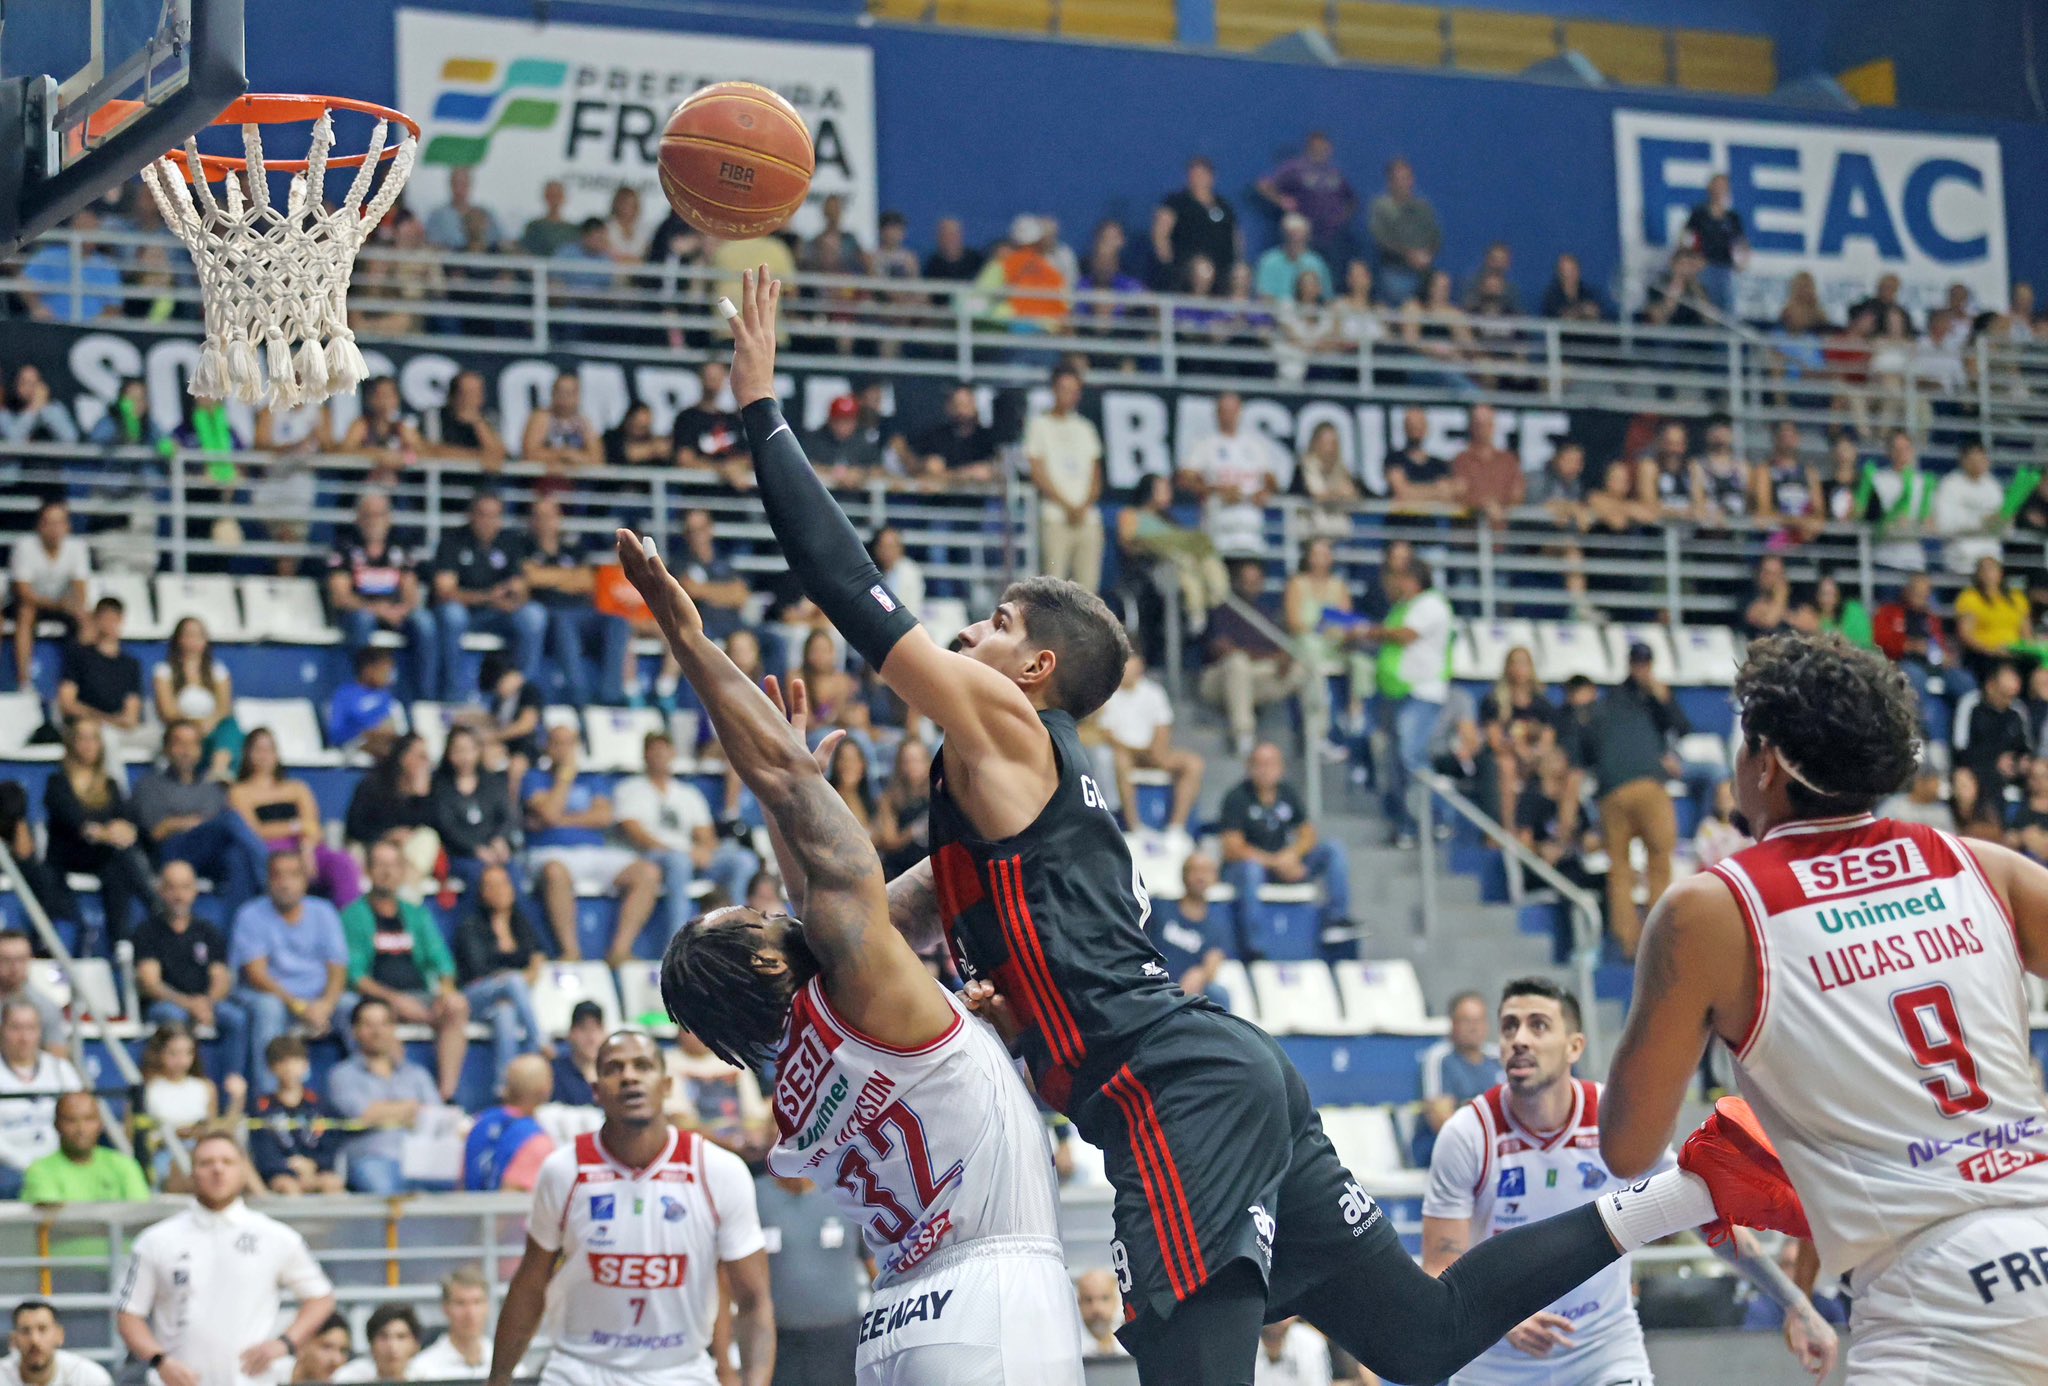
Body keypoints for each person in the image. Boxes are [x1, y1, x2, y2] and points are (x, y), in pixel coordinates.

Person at [724, 265, 1799, 1385]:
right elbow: (857, 921)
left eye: (993, 625)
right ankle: (1696, 1182)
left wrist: (762, 412)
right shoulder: (987, 820)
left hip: (1168, 1090)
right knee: (1421, 1344)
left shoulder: (1001, 725)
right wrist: (799, 806)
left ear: (1034, 669)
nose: (968, 635)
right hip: (1219, 1072)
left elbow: (848, 587)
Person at [615, 529, 1088, 1384]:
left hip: (900, 1317)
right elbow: (796, 810)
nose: (775, 911)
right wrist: (687, 637)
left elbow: (812, 908)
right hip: (993, 1299)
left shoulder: (789, 1065)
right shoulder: (855, 977)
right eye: (755, 916)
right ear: (765, 962)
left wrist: (792, 817)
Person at [1601, 633, 2048, 1384]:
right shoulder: (1984, 865)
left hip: (1935, 1298)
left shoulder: (1711, 909)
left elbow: (1628, 1148)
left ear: (1766, 762)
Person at [1424, 980, 1835, 1385]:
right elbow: (1441, 1268)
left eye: (1538, 1025)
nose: (1519, 1039)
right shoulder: (1468, 1133)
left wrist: (1796, 1303)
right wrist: (1501, 1320)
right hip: (1495, 1365)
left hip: (1603, 1355)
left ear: (1575, 1047)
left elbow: (1706, 1215)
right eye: (1509, 1026)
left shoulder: (1615, 1118)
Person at [485, 1030, 775, 1386]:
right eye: (613, 1068)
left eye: (643, 1066)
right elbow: (529, 1283)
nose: (629, 1077)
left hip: (680, 1371)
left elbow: (754, 1301)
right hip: (577, 1370)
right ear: (595, 1091)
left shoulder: (719, 1171)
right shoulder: (563, 1170)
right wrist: (498, 1378)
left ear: (667, 1085)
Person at [116, 1130, 337, 1386]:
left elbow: (321, 1298)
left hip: (251, 1381)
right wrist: (160, 1361)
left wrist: (284, 1343)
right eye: (206, 1163)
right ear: (192, 1172)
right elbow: (128, 1313)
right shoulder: (156, 1240)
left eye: (227, 1162)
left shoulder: (275, 1236)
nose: (217, 1170)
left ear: (244, 1171)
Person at [1566, 645, 1687, 957]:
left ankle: (1629, 943)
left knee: (1618, 869)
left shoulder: (1596, 711)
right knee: (1660, 860)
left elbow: (1580, 765)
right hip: (1649, 786)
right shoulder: (1645, 699)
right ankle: (1658, 937)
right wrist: (1661, 694)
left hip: (1612, 793)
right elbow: (1682, 726)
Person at [339, 840, 472, 1102]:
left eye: (393, 866)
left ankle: (447, 1094)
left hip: (420, 996)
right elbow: (356, 976)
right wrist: (394, 1001)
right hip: (378, 999)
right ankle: (391, 1094)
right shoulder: (352, 916)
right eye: (380, 865)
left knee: (457, 1004)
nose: (387, 872)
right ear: (367, 870)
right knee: (376, 1018)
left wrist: (444, 993)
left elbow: (443, 962)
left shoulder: (416, 914)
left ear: (402, 872)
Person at [523, 721, 663, 962]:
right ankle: (571, 951)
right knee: (555, 872)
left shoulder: (592, 778)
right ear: (547, 748)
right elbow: (548, 813)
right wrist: (565, 776)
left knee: (648, 872)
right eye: (557, 743)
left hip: (595, 851)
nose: (564, 749)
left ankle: (620, 950)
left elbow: (604, 817)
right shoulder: (534, 778)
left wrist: (560, 819)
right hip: (550, 852)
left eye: (569, 743)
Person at [613, 730, 760, 956]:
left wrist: (704, 851)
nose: (661, 756)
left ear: (673, 754)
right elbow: (636, 833)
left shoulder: (687, 793)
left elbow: (706, 835)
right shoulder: (631, 789)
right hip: (649, 857)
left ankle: (737, 934)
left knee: (742, 860)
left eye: (665, 751)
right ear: (645, 755)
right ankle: (677, 945)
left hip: (687, 856)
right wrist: (683, 851)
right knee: (678, 861)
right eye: (655, 751)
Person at [230, 852, 349, 1097]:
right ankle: (270, 1101)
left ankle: (363, 1091)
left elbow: (338, 968)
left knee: (356, 1009)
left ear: (305, 880)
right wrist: (300, 1007)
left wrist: (325, 1005)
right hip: (271, 995)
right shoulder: (251, 914)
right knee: (268, 1008)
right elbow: (257, 976)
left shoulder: (323, 912)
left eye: (293, 875)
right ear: (268, 880)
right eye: (278, 875)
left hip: (318, 999)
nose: (285, 883)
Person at [134, 720, 272, 923]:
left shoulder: (211, 788)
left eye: (193, 744)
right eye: (179, 743)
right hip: (172, 852)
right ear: (166, 748)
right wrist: (193, 823)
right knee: (231, 819)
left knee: (237, 858)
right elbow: (157, 831)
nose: (186, 750)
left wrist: (193, 823)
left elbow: (214, 829)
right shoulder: (150, 784)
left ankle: (234, 936)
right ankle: (270, 872)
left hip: (208, 852)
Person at [1358, 561, 1453, 847]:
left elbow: (1405, 636)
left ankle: (1441, 816)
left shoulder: (1431, 604)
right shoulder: (1402, 607)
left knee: (1411, 755)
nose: (1394, 584)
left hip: (1422, 693)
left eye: (1400, 578)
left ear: (1414, 580)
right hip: (1398, 693)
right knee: (1396, 763)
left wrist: (1366, 631)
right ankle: (1407, 825)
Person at [44, 716, 160, 943]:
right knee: (121, 855)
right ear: (71, 743)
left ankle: (121, 942)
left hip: (104, 855)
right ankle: (155, 904)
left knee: (118, 869)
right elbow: (74, 821)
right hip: (69, 853)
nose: (88, 745)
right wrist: (107, 833)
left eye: (93, 739)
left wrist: (125, 831)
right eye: (82, 739)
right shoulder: (57, 781)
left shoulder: (110, 784)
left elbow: (125, 819)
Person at [133, 861, 246, 1078]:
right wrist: (189, 1004)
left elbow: (221, 978)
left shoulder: (208, 931)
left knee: (236, 1018)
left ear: (195, 890)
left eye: (185, 887)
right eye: (172, 887)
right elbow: (150, 982)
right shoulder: (147, 932)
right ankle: (178, 1085)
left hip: (206, 1003)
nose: (179, 895)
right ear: (161, 890)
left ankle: (234, 1087)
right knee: (171, 1015)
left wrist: (206, 1003)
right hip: (167, 1004)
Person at [431, 491, 547, 701]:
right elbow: (445, 592)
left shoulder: (509, 542)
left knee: (534, 614)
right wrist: (488, 597)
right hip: (466, 613)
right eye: (482, 514)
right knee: (451, 615)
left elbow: (521, 590)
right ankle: (453, 692)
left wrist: (512, 602)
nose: (487, 521)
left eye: (493, 515)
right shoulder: (452, 540)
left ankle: (522, 686)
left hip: (498, 615)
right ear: (471, 515)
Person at [755, 1174, 869, 1386]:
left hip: (842, 1340)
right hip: (778, 1343)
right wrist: (726, 1369)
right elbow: (727, 1279)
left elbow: (878, 1271)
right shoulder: (755, 1196)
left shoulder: (847, 1192)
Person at [230, 728, 362, 908]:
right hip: (269, 850)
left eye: (269, 750)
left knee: (342, 862)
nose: (264, 756)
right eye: (258, 750)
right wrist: (295, 826)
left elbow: (312, 826)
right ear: (247, 754)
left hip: (305, 847)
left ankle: (351, 921)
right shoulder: (239, 792)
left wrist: (307, 847)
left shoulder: (297, 788)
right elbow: (254, 831)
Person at [327, 489, 438, 698]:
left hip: (394, 614)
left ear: (389, 519)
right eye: (368, 515)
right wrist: (377, 610)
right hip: (359, 613)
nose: (373, 521)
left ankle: (425, 696)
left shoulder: (399, 549)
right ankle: (363, 693)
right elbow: (340, 596)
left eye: (379, 515)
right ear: (358, 518)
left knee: (425, 622)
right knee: (362, 621)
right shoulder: (345, 548)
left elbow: (411, 592)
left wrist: (401, 610)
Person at [326, 996, 442, 1195]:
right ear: (355, 1031)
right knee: (383, 1189)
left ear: (393, 1029)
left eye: (384, 1024)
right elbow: (362, 1115)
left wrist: (385, 1111)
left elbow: (436, 1116)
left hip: (422, 1160)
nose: (377, 1032)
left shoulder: (416, 1074)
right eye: (369, 1025)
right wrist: (412, 1108)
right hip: (372, 1158)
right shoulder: (342, 1075)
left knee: (458, 1191)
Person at [452, 865, 551, 1086]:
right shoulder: (471, 926)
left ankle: (504, 1087)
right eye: (491, 885)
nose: (499, 890)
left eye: (503, 883)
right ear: (481, 893)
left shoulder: (521, 924)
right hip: (475, 995)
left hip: (506, 999)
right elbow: (479, 970)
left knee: (504, 1013)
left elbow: (537, 957)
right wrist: (512, 981)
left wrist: (518, 982)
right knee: (513, 980)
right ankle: (538, 1042)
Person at [526, 496, 628, 708]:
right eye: (540, 516)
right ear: (532, 520)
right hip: (551, 613)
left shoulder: (573, 547)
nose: (546, 521)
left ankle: (611, 694)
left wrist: (548, 578)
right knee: (564, 620)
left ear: (559, 518)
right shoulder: (524, 546)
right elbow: (530, 577)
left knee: (618, 621)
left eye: (550, 515)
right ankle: (578, 693)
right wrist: (567, 577)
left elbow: (587, 581)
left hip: (584, 612)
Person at [1202, 560, 1309, 759]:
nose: (1250, 585)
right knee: (1238, 663)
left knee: (1303, 669)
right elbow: (1222, 649)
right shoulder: (1222, 610)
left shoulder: (1267, 614)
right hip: (1218, 680)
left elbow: (1281, 652)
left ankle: (1314, 738)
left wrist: (1284, 660)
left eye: (1255, 580)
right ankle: (1244, 736)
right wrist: (1271, 657)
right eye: (1246, 580)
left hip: (1255, 679)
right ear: (1236, 582)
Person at [1099, 653, 1205, 834]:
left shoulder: (1154, 692)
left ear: (1140, 664)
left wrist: (1156, 751)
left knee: (1194, 764)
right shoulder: (1106, 696)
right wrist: (1136, 752)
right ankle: (1135, 828)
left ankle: (1176, 829)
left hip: (1153, 753)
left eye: (1130, 662)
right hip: (1126, 754)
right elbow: (1107, 734)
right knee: (1120, 760)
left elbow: (1163, 727)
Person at [1026, 364, 1106, 593]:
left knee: (1088, 590)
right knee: (1053, 586)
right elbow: (1038, 472)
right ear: (1053, 390)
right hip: (1055, 517)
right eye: (1063, 388)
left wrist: (1083, 506)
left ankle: (1083, 631)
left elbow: (1096, 475)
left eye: (1073, 390)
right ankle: (1052, 631)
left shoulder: (1086, 428)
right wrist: (1067, 505)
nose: (1068, 395)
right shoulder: (1039, 425)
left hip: (1087, 518)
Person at [1177, 392, 1285, 557]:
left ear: (1240, 412)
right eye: (1224, 411)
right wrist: (1217, 490)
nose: (1228, 416)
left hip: (1250, 525)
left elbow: (1272, 480)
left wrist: (1265, 492)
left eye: (1232, 411)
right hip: (1218, 522)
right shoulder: (1205, 444)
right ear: (1217, 414)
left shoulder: (1255, 445)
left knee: (1251, 572)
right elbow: (1185, 479)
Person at [1410, 992, 1503, 1168]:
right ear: (1452, 1024)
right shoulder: (1439, 1058)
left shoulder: (1498, 1058)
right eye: (1467, 1021)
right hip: (1443, 1149)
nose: (1474, 1027)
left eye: (1479, 1020)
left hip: (1491, 1149)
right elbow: (1442, 1120)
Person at [0, 999, 81, 1199]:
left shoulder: (60, 1069)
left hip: (59, 1160)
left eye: (31, 1028)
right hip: (8, 1167)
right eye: (15, 1028)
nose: (24, 1037)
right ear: (2, 1030)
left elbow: (80, 1113)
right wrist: (28, 1164)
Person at [10, 500, 91, 692]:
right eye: (48, 522)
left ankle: (80, 684)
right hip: (29, 605)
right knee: (26, 613)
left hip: (60, 606)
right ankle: (24, 681)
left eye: (59, 522)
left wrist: (77, 607)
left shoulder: (77, 548)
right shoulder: (25, 546)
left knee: (86, 619)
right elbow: (23, 592)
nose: (54, 529)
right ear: (39, 526)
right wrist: (58, 605)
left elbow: (80, 590)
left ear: (67, 526)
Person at [247, 1035, 343, 1195]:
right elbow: (262, 1150)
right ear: (271, 1067)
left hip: (317, 1170)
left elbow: (332, 1142)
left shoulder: (321, 1105)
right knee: (288, 1187)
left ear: (306, 1065)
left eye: (295, 1061)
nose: (289, 1068)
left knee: (332, 1183)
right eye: (282, 1062)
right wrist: (287, 1166)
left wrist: (313, 1164)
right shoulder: (261, 1107)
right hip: (280, 1174)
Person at [139, 1022, 231, 1185]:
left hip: (201, 1150)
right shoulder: (148, 1089)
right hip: (164, 1154)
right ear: (159, 1053)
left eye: (187, 1053)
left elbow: (213, 1128)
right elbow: (135, 1134)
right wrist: (176, 1134)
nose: (180, 1060)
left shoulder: (205, 1087)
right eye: (173, 1053)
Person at [54, 597, 148, 757]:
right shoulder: (79, 656)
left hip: (120, 728)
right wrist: (106, 720)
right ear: (96, 620)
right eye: (104, 618)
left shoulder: (131, 664)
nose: (109, 623)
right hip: (89, 727)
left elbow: (131, 715)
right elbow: (68, 703)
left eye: (114, 618)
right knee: (106, 738)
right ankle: (114, 783)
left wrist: (116, 722)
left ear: (121, 620)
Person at [20, 1089, 150, 1203]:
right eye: (71, 1120)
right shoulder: (40, 1170)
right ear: (56, 1125)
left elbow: (140, 1215)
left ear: (100, 1124)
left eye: (89, 1119)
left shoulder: (124, 1164)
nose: (81, 1129)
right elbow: (55, 1224)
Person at [152, 618, 241, 779]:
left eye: (198, 635)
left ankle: (218, 772)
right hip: (180, 732)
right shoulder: (164, 671)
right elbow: (168, 711)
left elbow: (224, 708)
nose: (193, 640)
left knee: (230, 725)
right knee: (186, 735)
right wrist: (195, 726)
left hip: (209, 733)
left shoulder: (218, 671)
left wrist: (209, 724)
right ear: (178, 639)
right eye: (189, 635)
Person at [1147, 853, 1233, 1008]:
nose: (1200, 876)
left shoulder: (1216, 924)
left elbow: (1214, 961)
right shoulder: (1160, 908)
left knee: (1218, 993)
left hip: (1189, 994)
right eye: (1195, 870)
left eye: (1206, 871)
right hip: (1154, 987)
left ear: (1215, 877)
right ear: (1183, 875)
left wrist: (1201, 974)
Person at [461, 1054, 555, 1193]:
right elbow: (511, 1202)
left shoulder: (478, 1123)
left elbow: (461, 1183)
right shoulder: (536, 1140)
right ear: (545, 1090)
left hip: (470, 1212)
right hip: (502, 1213)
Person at [411, 1269, 495, 1381]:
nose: (470, 1313)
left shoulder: (507, 1362)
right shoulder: (422, 1370)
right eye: (460, 1303)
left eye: (477, 1302)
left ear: (487, 1307)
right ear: (445, 1308)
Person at [5, 1301, 113, 1386]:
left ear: (60, 1335)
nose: (34, 1340)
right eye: (25, 1331)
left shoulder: (89, 1378)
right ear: (13, 1340)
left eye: (42, 1329)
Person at [0, 934, 65, 1055]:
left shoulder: (45, 1007)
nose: (14, 967)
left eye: (20, 959)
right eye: (6, 959)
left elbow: (57, 1057)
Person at [329, 1307, 421, 1386]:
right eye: (383, 1337)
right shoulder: (348, 1379)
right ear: (371, 1344)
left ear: (415, 1345)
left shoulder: (429, 1376)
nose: (392, 1346)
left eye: (401, 1337)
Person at [549, 1000, 604, 1108]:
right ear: (571, 1033)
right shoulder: (555, 1074)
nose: (591, 1038)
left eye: (596, 1029)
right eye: (584, 1029)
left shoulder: (610, 1072)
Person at [1075, 1269, 1128, 1358]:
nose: (1097, 1308)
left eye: (1105, 1298)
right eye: (1088, 1300)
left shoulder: (1132, 1346)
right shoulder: (1071, 1350)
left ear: (1116, 1301)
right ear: (1078, 1303)